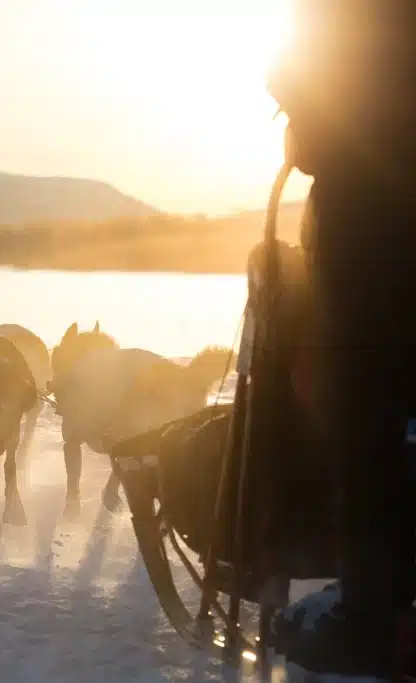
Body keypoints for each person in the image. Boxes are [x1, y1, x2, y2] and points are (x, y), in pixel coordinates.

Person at [265, 1, 416, 677]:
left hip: (370, 253)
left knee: (364, 432)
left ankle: (370, 619)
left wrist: (294, 93)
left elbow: (314, 112)